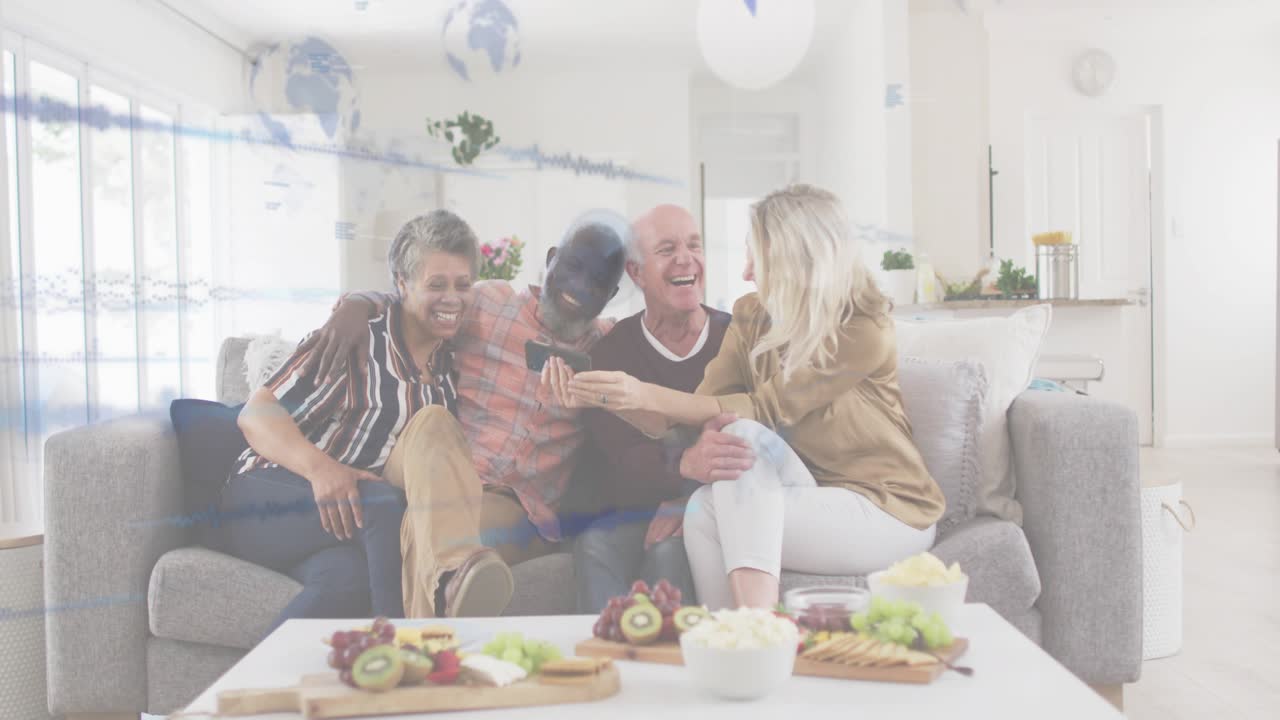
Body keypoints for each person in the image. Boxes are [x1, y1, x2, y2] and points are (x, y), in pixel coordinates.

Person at [543, 185, 945, 610]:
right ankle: (727, 645)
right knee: (703, 506)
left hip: (885, 508)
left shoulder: (863, 329)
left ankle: (758, 627)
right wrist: (606, 397)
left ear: (795, 261)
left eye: (758, 258)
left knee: (745, 437)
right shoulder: (752, 314)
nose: (747, 272)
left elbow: (766, 409)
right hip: (808, 492)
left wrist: (641, 392)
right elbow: (691, 415)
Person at [310, 212, 627, 616]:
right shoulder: (490, 304)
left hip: (519, 508)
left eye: (598, 281)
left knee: (420, 532)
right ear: (551, 259)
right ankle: (428, 648)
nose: (580, 286)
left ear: (611, 294)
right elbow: (418, 303)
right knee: (428, 523)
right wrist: (357, 302)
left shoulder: (609, 346)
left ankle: (413, 651)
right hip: (446, 476)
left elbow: (667, 350)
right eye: (574, 267)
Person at [218, 210, 478, 627]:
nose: (452, 298)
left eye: (463, 285)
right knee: (380, 505)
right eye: (435, 284)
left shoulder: (449, 371)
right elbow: (256, 414)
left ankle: (255, 683)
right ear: (401, 284)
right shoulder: (356, 341)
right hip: (264, 496)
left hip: (338, 523)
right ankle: (402, 647)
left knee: (345, 585)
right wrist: (322, 470)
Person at [569, 204, 756, 612]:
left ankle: (680, 665)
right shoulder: (611, 350)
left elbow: (753, 435)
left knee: (670, 553)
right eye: (667, 249)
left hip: (714, 505)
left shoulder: (736, 336)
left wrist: (688, 497)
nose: (686, 258)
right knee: (595, 546)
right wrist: (685, 464)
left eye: (694, 245)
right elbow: (621, 457)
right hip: (636, 509)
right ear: (636, 273)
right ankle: (606, 661)